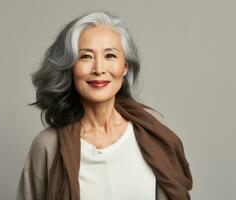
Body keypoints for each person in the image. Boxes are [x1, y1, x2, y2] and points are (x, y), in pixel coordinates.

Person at [16, 10, 193, 200]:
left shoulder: (153, 131)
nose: (99, 69)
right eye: (85, 56)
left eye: (110, 56)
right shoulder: (48, 145)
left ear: (125, 66)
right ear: (69, 67)